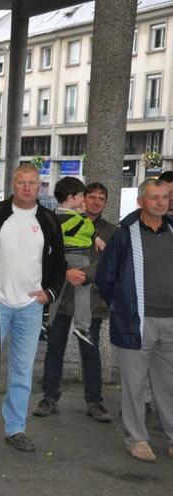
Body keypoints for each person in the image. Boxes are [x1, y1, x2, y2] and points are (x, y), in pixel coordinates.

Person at [0, 164, 66, 454]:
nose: (27, 187)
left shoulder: (48, 220)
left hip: (31, 306)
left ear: (40, 185)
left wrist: (51, 292)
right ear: (12, 183)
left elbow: (59, 263)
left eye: (32, 182)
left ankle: (16, 428)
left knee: (22, 371)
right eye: (22, 182)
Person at [96, 178, 173, 463]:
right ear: (141, 201)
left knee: (169, 385)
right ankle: (137, 439)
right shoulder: (124, 235)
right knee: (135, 385)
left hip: (171, 322)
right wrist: (122, 305)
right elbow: (105, 277)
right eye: (154, 197)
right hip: (135, 323)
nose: (161, 202)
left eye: (164, 197)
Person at [33, 182, 116, 422]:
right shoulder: (60, 223)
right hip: (61, 296)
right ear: (80, 199)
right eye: (91, 196)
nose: (96, 201)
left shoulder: (110, 231)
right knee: (54, 348)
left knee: (90, 352)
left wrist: (85, 275)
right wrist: (67, 271)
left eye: (102, 198)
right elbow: (50, 254)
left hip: (90, 301)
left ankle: (95, 402)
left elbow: (108, 261)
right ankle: (50, 397)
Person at [47, 177, 102, 345]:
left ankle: (48, 320)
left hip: (61, 258)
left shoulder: (54, 215)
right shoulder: (75, 218)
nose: (82, 200)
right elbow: (88, 229)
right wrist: (85, 215)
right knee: (83, 290)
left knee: (56, 290)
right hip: (78, 256)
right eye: (80, 196)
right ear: (71, 198)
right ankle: (82, 326)